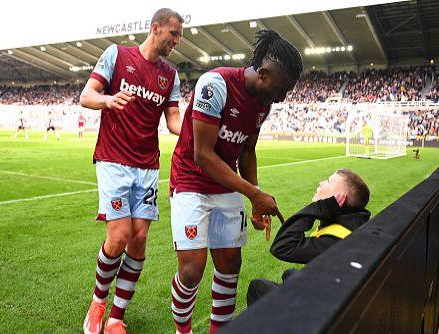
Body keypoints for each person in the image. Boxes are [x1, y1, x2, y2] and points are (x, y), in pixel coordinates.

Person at [168, 29, 303, 334]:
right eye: (280, 90)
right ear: (264, 73)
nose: (280, 99)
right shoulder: (215, 85)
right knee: (191, 271)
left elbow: (248, 150)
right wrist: (254, 193)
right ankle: (183, 331)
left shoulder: (263, 102)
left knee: (230, 265)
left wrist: (254, 199)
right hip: (190, 180)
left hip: (225, 183)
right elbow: (202, 155)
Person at [79, 8, 183, 334]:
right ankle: (98, 303)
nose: (177, 42)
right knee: (120, 236)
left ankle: (116, 318)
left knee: (138, 240)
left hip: (147, 166)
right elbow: (86, 96)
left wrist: (201, 125)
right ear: (156, 28)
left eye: (179, 36)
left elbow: (174, 122)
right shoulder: (117, 55)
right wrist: (107, 100)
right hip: (112, 159)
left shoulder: (171, 75)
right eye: (174, 34)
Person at [246, 169, 371, 306]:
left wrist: (319, 207)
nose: (321, 183)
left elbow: (282, 247)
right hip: (331, 293)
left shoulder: (334, 241)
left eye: (328, 182)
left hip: (321, 309)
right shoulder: (352, 225)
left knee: (257, 286)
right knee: (289, 273)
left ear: (338, 198)